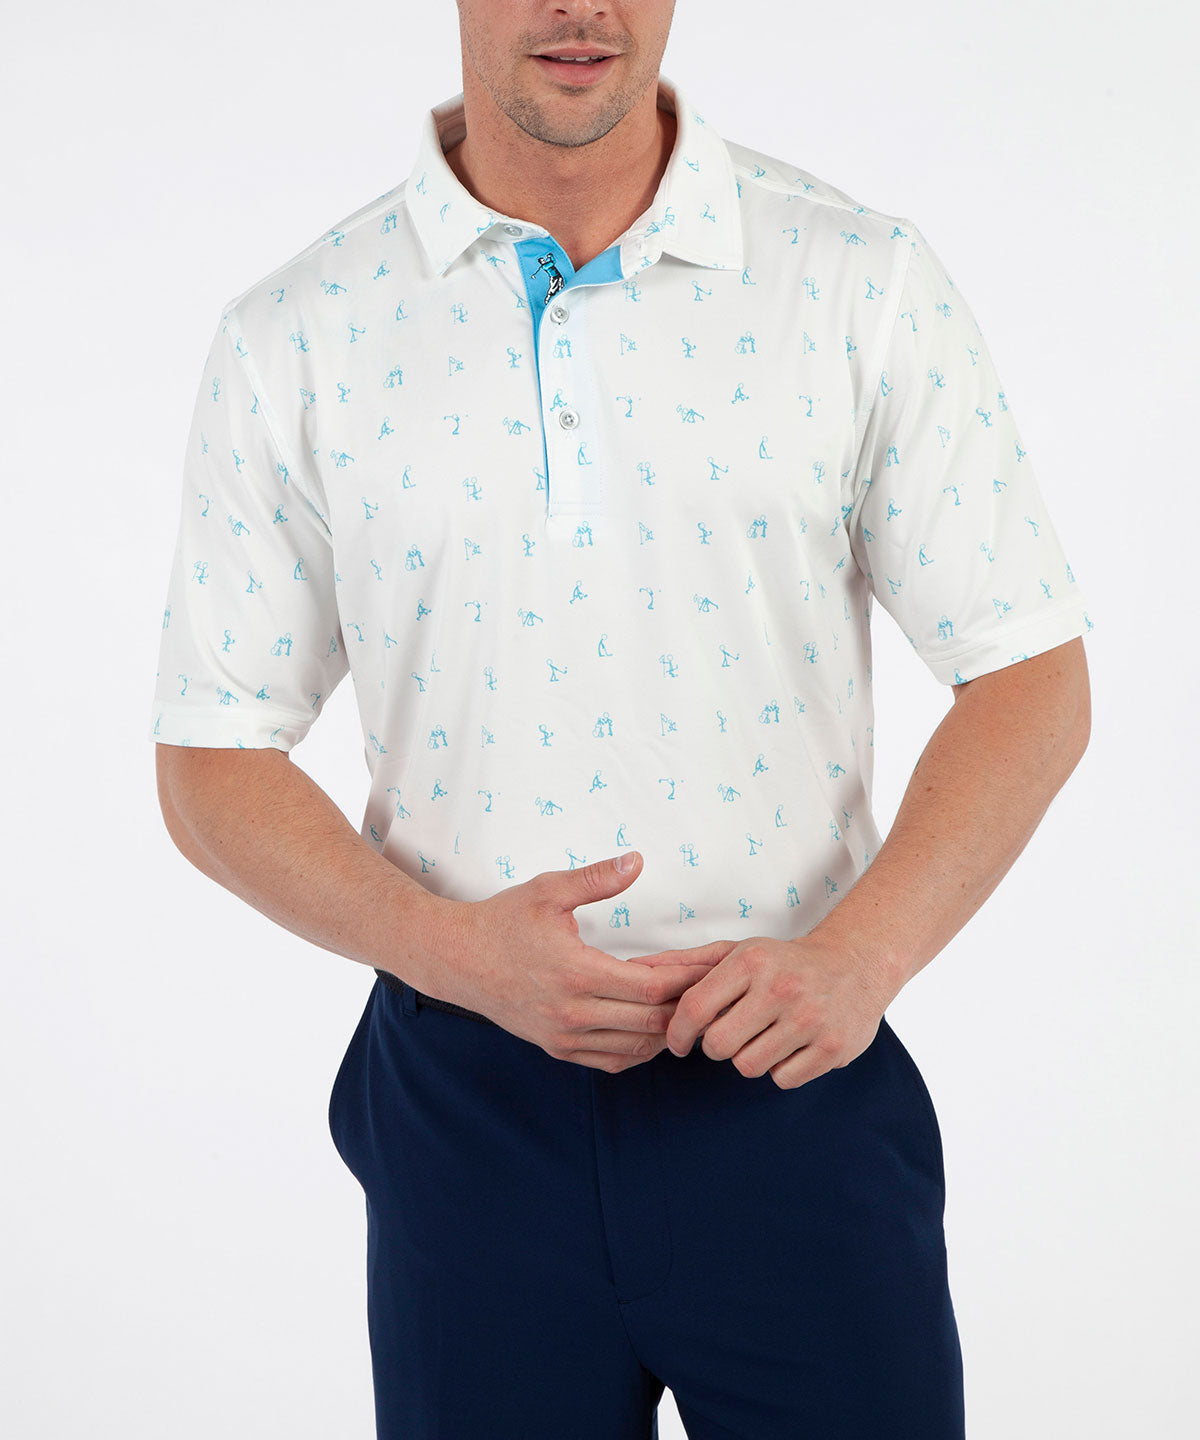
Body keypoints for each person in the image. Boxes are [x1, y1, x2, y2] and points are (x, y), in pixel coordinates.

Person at [150, 2, 1092, 1436]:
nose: (579, 4)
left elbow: (1030, 671)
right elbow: (212, 753)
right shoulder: (299, 332)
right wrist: (453, 953)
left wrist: (862, 960)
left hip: (794, 1090)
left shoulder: (857, 277)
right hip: (467, 1115)